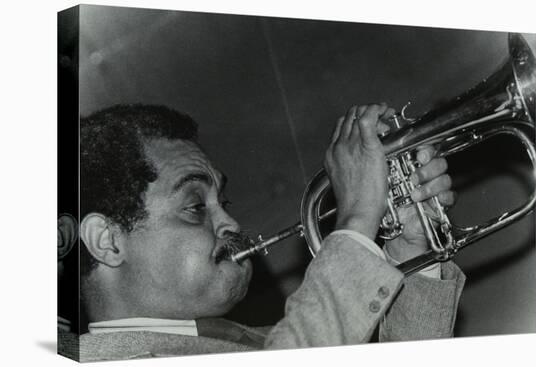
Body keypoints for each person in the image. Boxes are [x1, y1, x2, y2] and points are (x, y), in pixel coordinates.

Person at [58, 103, 465, 361]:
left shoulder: (257, 340)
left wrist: (410, 254)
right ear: (107, 241)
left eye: (225, 204)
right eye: (196, 207)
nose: (231, 224)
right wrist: (358, 219)